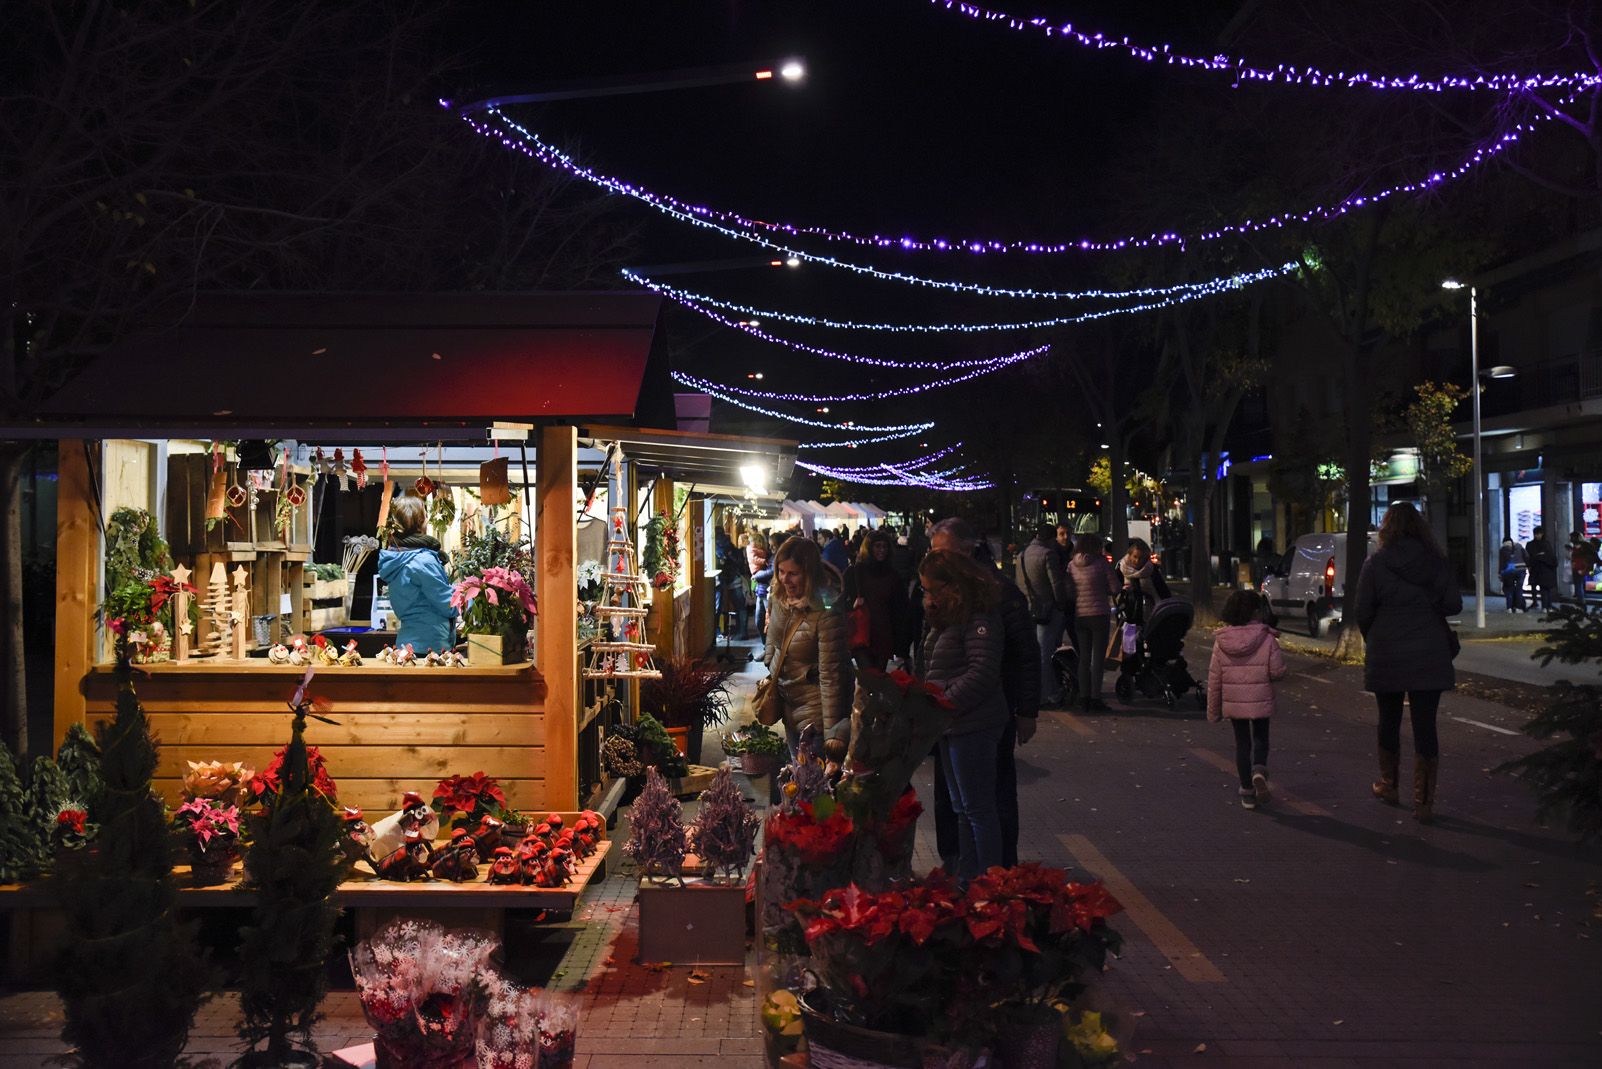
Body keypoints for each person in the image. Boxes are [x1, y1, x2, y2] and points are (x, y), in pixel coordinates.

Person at [928, 517, 1039, 869]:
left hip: (986, 713)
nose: (936, 562)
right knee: (954, 800)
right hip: (947, 715)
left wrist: (1027, 709)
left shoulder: (998, 594)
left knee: (991, 799)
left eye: (943, 554)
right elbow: (932, 652)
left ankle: (997, 871)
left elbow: (1024, 654)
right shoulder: (942, 593)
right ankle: (959, 866)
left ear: (967, 549)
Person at [1354, 502, 1463, 824]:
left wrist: (1377, 636)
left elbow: (1363, 611)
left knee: (1387, 719)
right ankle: (1424, 802)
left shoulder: (1375, 564)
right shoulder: (1437, 563)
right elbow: (1453, 604)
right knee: (1425, 726)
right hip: (1429, 653)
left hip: (1387, 652)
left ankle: (1389, 785)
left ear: (1387, 528)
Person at [915, 549, 1009, 880]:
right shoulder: (949, 618)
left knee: (978, 809)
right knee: (962, 809)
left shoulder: (979, 618)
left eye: (931, 589)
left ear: (953, 586)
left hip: (973, 723)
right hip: (951, 724)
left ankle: (990, 883)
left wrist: (944, 701)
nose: (927, 595)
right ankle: (969, 880)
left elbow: (982, 672)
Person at [764, 537, 851, 753]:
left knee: (814, 782)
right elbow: (773, 640)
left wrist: (832, 733)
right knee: (798, 777)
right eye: (781, 571)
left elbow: (832, 675)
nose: (785, 579)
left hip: (816, 715)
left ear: (809, 573)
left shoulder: (826, 611)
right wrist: (771, 665)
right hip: (789, 705)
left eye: (793, 573)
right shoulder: (779, 598)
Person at [1206, 590, 1287, 810]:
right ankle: (1259, 771)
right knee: (1261, 737)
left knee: (1242, 744)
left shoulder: (1221, 641)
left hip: (1234, 701)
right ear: (1255, 612)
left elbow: (1215, 679)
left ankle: (1247, 793)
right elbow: (1277, 672)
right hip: (1260, 699)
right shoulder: (1267, 638)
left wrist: (1213, 711)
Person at [376, 495, 456, 654]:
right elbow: (448, 604)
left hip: (407, 645)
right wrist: (470, 592)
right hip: (430, 647)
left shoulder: (396, 558)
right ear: (421, 522)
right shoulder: (423, 561)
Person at [1016, 523, 1072, 708]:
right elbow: (1056, 583)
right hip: (1047, 610)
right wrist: (1061, 603)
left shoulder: (1022, 555)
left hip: (1028, 608)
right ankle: (1046, 694)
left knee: (1033, 653)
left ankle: (1034, 691)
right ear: (1050, 539)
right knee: (1044, 653)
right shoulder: (1048, 554)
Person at [1063, 533, 1119, 712]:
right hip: (1099, 613)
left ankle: (1083, 697)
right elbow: (1115, 587)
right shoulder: (1101, 563)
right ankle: (1096, 698)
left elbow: (1069, 591)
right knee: (1098, 659)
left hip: (1080, 614)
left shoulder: (1071, 565)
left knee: (1084, 658)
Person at [840, 529, 912, 671]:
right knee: (868, 679)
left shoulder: (892, 575)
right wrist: (852, 605)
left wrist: (901, 643)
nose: (882, 550)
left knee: (878, 678)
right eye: (877, 546)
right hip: (862, 634)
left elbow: (900, 609)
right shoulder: (855, 572)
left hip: (883, 634)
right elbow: (840, 602)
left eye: (884, 546)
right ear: (869, 547)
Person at [1118, 537, 1171, 618]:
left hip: (1151, 608)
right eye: (1135, 557)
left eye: (1140, 558)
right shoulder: (1121, 568)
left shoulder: (1151, 569)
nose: (1137, 561)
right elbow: (1116, 588)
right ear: (1129, 555)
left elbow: (1162, 589)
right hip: (1128, 611)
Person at [1526, 525, 1558, 612]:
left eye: (1539, 534)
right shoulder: (1546, 544)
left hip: (1541, 569)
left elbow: (1532, 557)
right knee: (1545, 588)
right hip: (1541, 569)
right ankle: (1546, 606)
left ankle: (1546, 606)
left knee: (1545, 588)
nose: (1538, 536)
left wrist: (1538, 557)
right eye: (1537, 534)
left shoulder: (1539, 544)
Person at [748, 532, 773, 638]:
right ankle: (766, 644)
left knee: (764, 618)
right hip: (761, 588)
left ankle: (767, 645)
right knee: (760, 619)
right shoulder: (752, 550)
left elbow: (770, 571)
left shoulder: (769, 554)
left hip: (763, 589)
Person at [1497, 536, 1529, 614]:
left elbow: (1501, 563)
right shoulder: (1519, 546)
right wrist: (1528, 566)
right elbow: (1527, 557)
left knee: (1509, 589)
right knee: (1519, 589)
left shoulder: (1503, 549)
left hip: (1509, 572)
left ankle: (1509, 608)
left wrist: (1500, 573)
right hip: (1521, 569)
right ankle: (1518, 608)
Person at [1567, 531, 1598, 606]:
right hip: (1579, 568)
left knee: (1578, 585)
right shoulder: (1582, 545)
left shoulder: (1583, 546)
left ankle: (1581, 603)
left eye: (1571, 537)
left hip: (1581, 568)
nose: (1570, 539)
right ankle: (1581, 601)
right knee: (1579, 585)